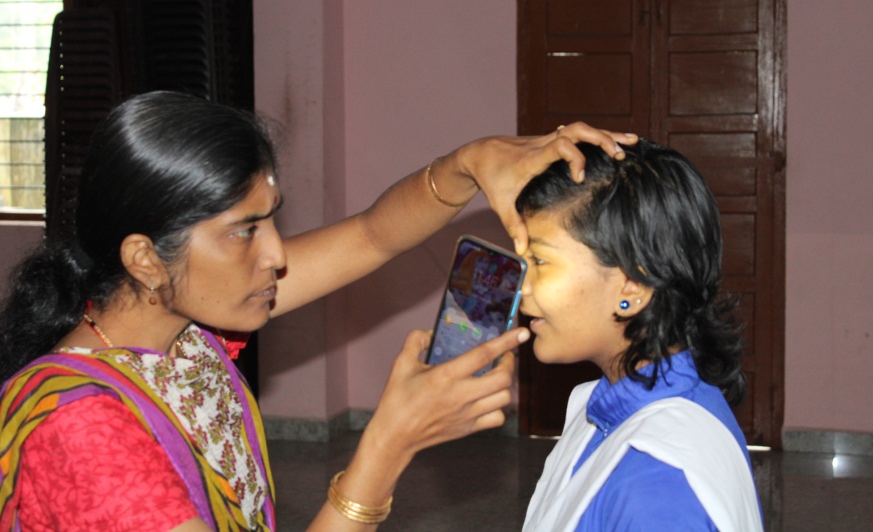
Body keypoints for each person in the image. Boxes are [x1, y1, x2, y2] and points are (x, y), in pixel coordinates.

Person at [0, 91, 635, 531]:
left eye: (271, 221)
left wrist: (470, 162)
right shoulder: (80, 433)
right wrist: (388, 444)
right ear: (145, 259)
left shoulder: (183, 329)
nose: (277, 255)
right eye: (245, 231)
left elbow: (373, 235)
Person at [517, 139, 763, 531]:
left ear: (633, 287)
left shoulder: (658, 490)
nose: (521, 285)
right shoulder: (618, 404)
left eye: (540, 261)